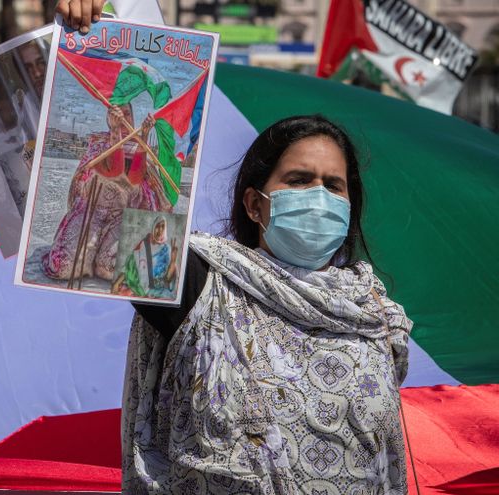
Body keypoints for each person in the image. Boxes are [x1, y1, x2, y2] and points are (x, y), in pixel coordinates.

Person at [125, 115, 412, 493]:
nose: (319, 197)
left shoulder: (374, 316)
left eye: (333, 186)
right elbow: (121, 230)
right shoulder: (202, 286)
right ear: (254, 205)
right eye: (299, 180)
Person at [41, 103, 171, 281]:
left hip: (121, 216)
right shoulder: (99, 144)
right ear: (109, 118)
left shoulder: (139, 145)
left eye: (127, 113)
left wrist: (145, 135)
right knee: (64, 267)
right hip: (90, 212)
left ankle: (99, 256)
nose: (123, 117)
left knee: (108, 268)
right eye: (118, 113)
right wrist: (116, 132)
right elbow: (113, 169)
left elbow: (135, 178)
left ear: (133, 118)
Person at [111, 216, 179, 299]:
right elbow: (130, 266)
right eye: (157, 226)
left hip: (156, 292)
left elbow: (167, 280)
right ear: (153, 227)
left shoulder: (167, 249)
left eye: (162, 226)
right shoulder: (143, 244)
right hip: (137, 288)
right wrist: (117, 283)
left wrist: (172, 262)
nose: (160, 230)